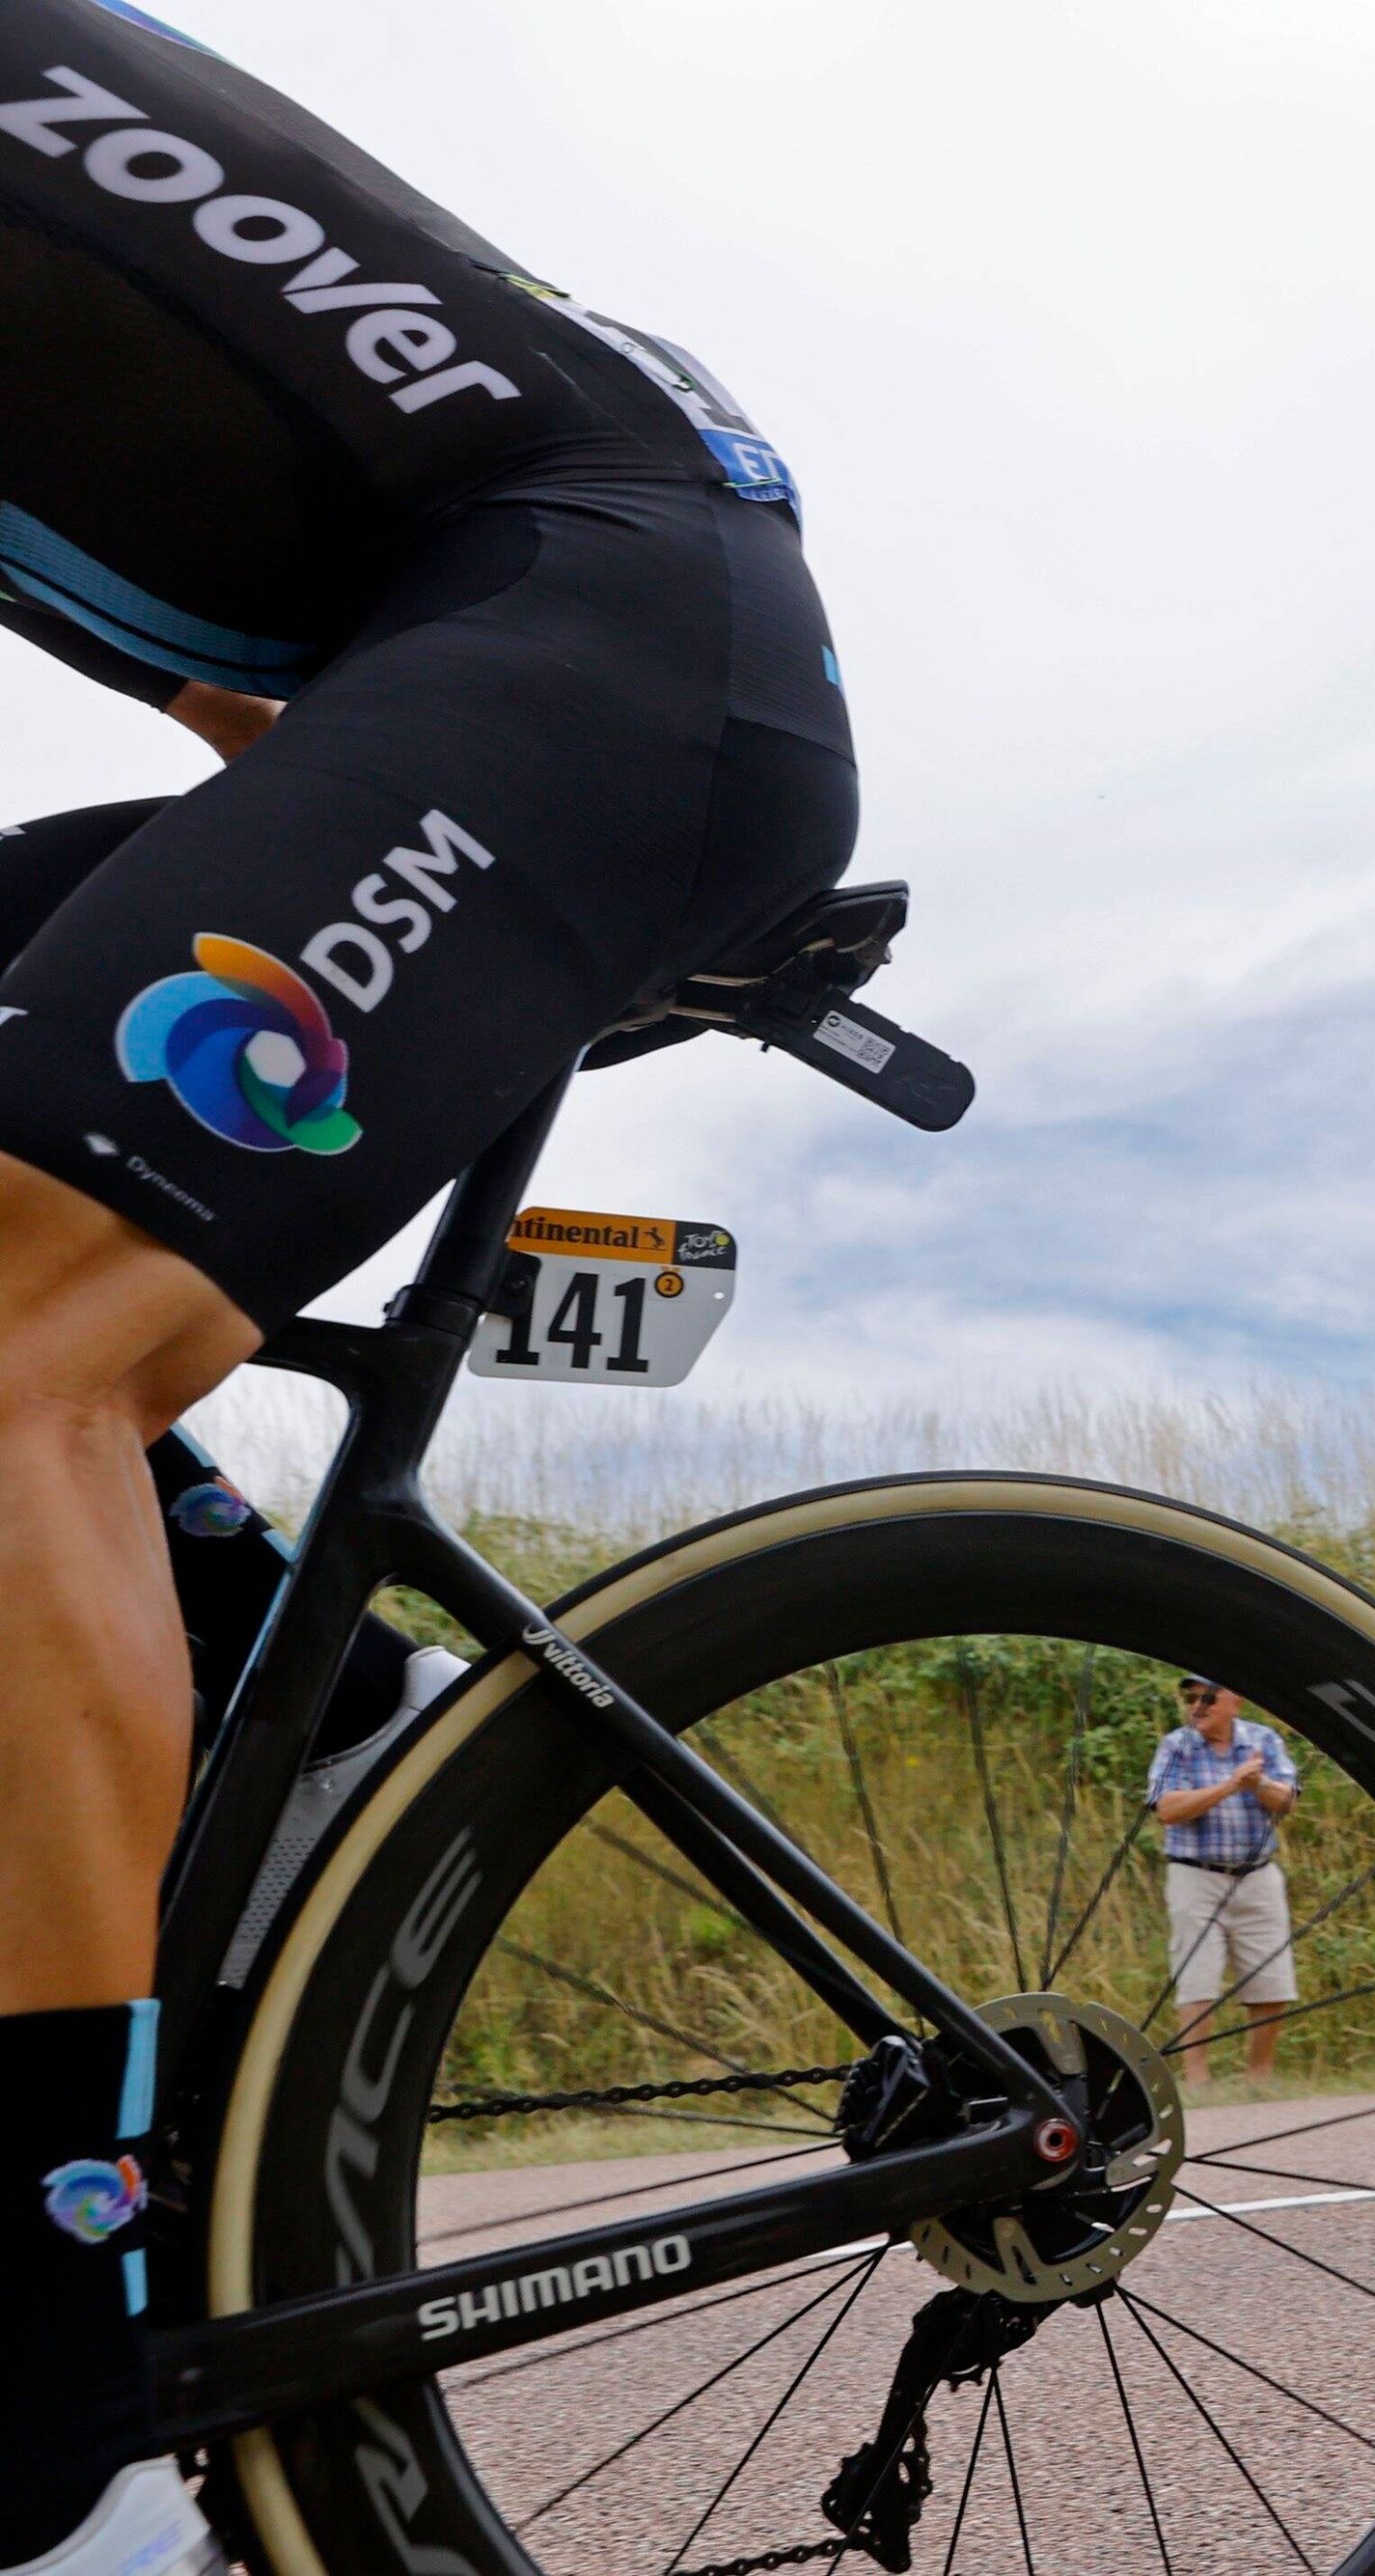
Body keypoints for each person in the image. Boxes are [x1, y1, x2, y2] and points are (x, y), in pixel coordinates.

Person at [0, 10, 863, 2562]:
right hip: (485, 661)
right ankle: (290, 1646)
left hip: (618, 629)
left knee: (13, 1349)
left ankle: (53, 2388)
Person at [1148, 1677, 1301, 2083]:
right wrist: (1231, 1784)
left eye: (1208, 1698)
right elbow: (1166, 1808)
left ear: (1235, 1699)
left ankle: (1259, 2078)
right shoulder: (1176, 1746)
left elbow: (1286, 1801)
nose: (1198, 1706)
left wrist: (1258, 1785)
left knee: (1270, 1976)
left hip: (1257, 1874)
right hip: (1195, 1875)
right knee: (1196, 1976)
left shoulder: (1263, 1740)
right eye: (1191, 1698)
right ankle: (1197, 2080)